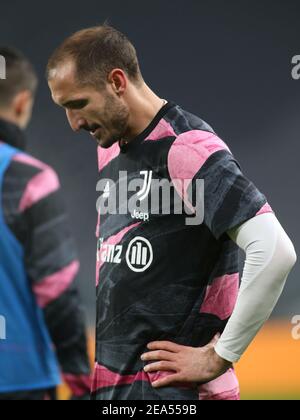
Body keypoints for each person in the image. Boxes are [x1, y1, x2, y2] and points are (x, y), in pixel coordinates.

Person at [47, 25, 297, 400]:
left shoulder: (186, 147)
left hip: (177, 396)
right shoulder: (111, 145)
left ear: (117, 82)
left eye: (78, 104)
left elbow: (275, 251)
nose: (74, 123)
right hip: (121, 393)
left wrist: (219, 356)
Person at [0, 47, 91, 400]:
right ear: (22, 102)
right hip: (19, 377)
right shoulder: (30, 180)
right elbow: (57, 289)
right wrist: (80, 380)